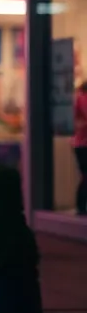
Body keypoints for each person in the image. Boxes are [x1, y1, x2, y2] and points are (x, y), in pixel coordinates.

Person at [74, 81, 87, 216]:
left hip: (80, 143)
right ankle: (81, 207)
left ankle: (81, 206)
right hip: (83, 143)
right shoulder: (83, 98)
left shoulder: (80, 97)